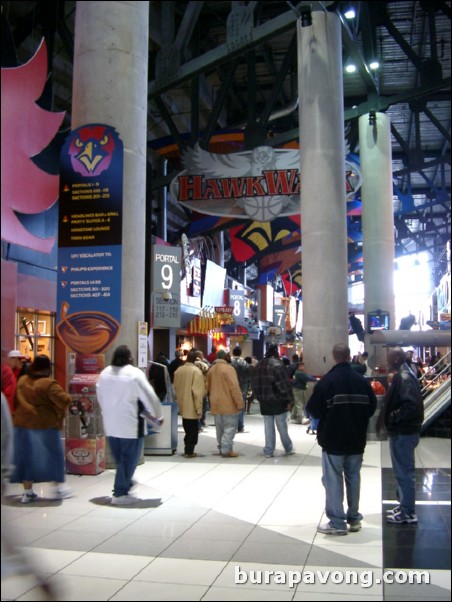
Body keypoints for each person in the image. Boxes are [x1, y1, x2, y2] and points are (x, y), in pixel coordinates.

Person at [307, 344, 377, 535]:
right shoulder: (362, 382)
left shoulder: (328, 382)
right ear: (349, 356)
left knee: (333, 480)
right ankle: (354, 518)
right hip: (356, 438)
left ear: (334, 357)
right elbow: (372, 407)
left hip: (333, 439)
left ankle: (337, 522)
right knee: (354, 477)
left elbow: (313, 409)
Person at [96, 345, 163, 505]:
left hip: (111, 425)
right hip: (130, 425)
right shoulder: (134, 374)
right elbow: (150, 396)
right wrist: (158, 414)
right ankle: (119, 494)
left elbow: (99, 395)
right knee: (129, 460)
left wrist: (106, 411)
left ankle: (126, 483)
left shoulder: (104, 373)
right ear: (129, 357)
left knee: (121, 460)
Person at [10, 355, 73, 503]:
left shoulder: (22, 381)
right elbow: (64, 400)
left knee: (26, 459)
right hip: (44, 425)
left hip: (22, 425)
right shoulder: (49, 384)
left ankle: (27, 493)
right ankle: (57, 489)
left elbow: (15, 400)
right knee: (52, 456)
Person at [376, 347, 424, 525]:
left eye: (389, 357)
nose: (386, 360)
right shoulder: (404, 374)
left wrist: (391, 417)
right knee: (401, 471)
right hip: (402, 431)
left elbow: (411, 406)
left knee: (404, 471)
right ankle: (404, 505)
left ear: (397, 358)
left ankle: (408, 512)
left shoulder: (404, 377)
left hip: (403, 431)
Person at [251, 344, 295, 458]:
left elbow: (254, 383)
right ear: (276, 352)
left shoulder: (259, 365)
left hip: (264, 400)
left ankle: (269, 450)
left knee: (268, 426)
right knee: (282, 425)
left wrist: (258, 397)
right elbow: (284, 384)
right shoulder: (278, 365)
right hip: (278, 400)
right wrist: (290, 400)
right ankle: (288, 448)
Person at [207, 350, 244, 458]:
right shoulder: (229, 369)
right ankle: (226, 450)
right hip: (229, 404)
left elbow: (208, 387)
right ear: (224, 357)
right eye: (228, 355)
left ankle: (221, 447)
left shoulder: (211, 370)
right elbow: (234, 387)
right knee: (229, 428)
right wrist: (240, 402)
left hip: (216, 404)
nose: (230, 357)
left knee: (219, 429)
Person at [173, 350, 206, 458]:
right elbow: (197, 392)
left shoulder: (179, 370)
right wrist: (199, 408)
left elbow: (175, 387)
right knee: (193, 430)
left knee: (186, 427)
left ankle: (187, 449)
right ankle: (189, 451)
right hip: (191, 405)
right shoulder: (196, 372)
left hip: (182, 403)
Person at [231, 346, 251, 433]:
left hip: (231, 388)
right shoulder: (245, 363)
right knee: (241, 407)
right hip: (242, 388)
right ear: (240, 353)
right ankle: (240, 426)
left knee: (231, 407)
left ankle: (232, 425)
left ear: (233, 352)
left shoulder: (229, 362)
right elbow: (249, 377)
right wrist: (249, 389)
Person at [193, 350, 210, 430]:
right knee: (203, 406)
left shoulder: (191, 364)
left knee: (195, 406)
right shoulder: (205, 364)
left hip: (193, 387)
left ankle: (197, 423)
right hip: (203, 387)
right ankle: (202, 421)